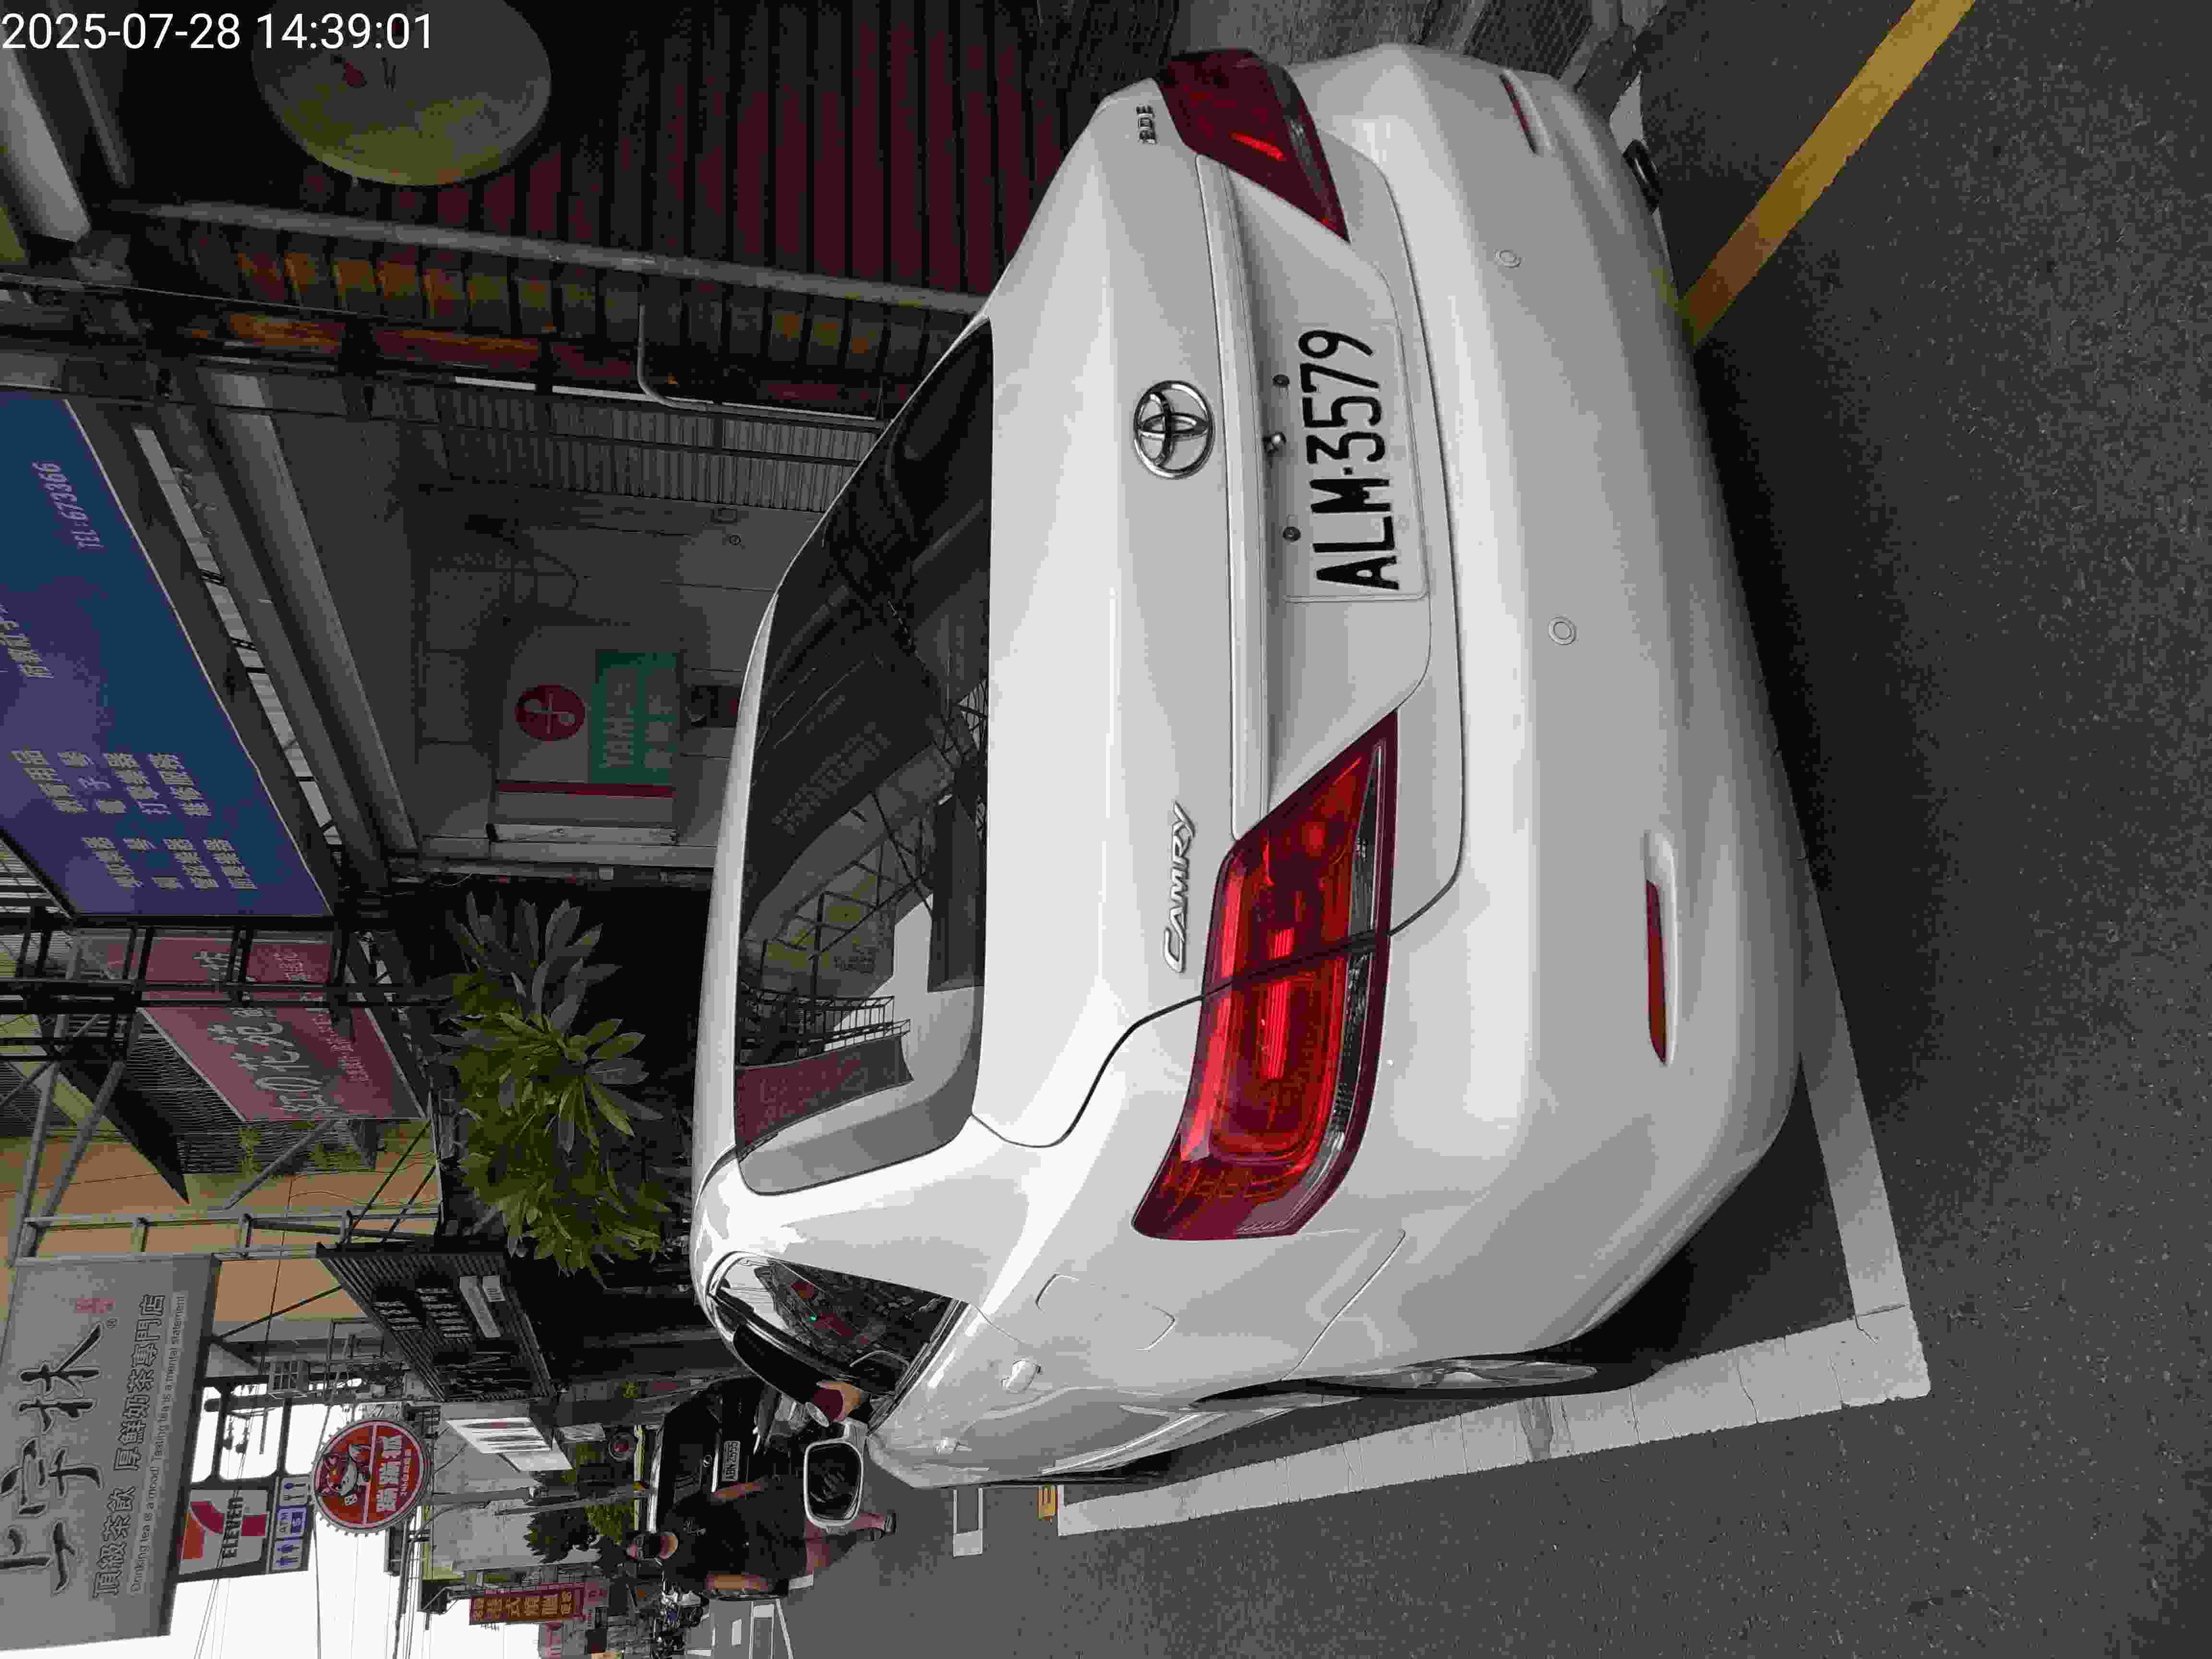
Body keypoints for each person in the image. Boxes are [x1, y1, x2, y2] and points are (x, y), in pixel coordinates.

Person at [625, 1469, 896, 1598]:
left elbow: (719, 1497)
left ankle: (876, 1521)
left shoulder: (675, 1515)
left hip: (759, 1516)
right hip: (758, 1560)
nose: (642, 1548)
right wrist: (754, 1584)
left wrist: (754, 1486)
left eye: (638, 1542)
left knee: (821, 1523)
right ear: (644, 1559)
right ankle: (858, 1537)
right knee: (823, 1556)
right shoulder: (676, 1573)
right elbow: (714, 1581)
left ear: (644, 1534)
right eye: (639, 1554)